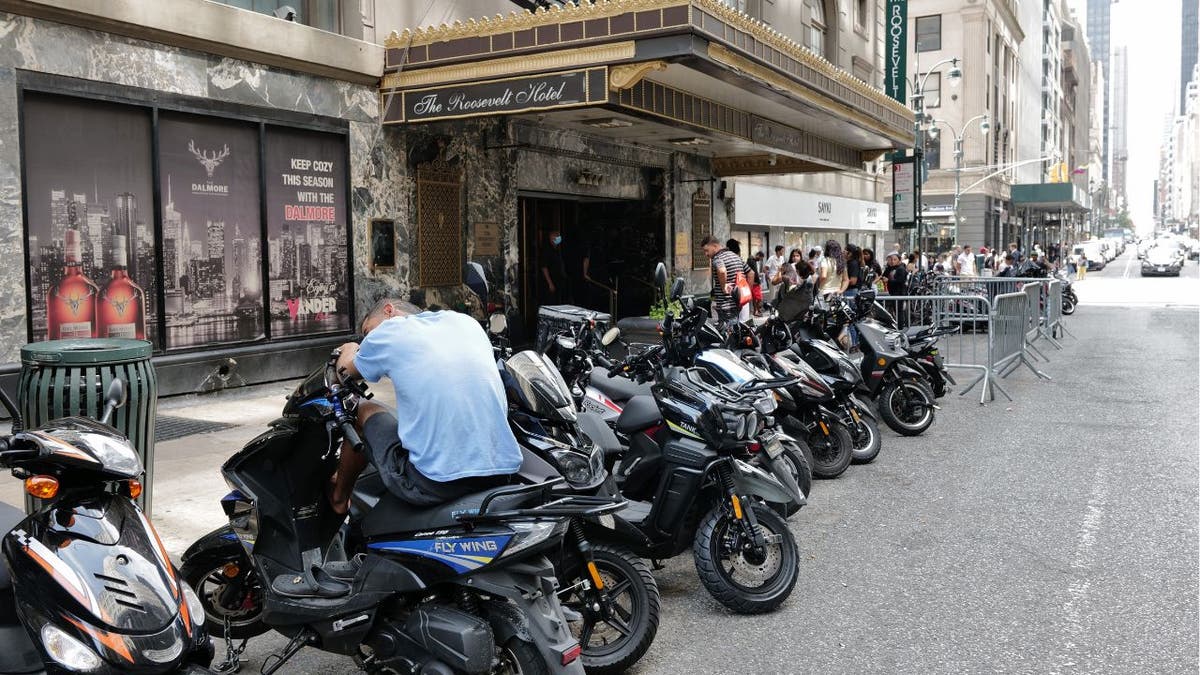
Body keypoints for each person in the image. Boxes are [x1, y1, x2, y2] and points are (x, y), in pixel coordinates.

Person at [328, 300, 523, 515]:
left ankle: (339, 498)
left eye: (368, 331)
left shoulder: (391, 331)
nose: (367, 341)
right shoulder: (466, 322)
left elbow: (345, 370)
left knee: (362, 410)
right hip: (502, 474)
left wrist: (349, 348)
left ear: (389, 310)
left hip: (436, 484)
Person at [703, 235, 750, 324]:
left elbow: (722, 271)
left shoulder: (717, 258)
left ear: (714, 246)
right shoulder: (735, 256)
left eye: (706, 250)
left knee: (728, 333)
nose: (706, 254)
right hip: (737, 302)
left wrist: (724, 286)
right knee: (735, 329)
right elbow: (750, 273)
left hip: (726, 305)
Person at [541, 229, 567, 304]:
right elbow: (544, 267)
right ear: (552, 238)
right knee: (551, 301)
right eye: (557, 236)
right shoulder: (547, 250)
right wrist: (550, 283)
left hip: (558, 280)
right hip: (551, 280)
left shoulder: (556, 249)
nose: (559, 238)